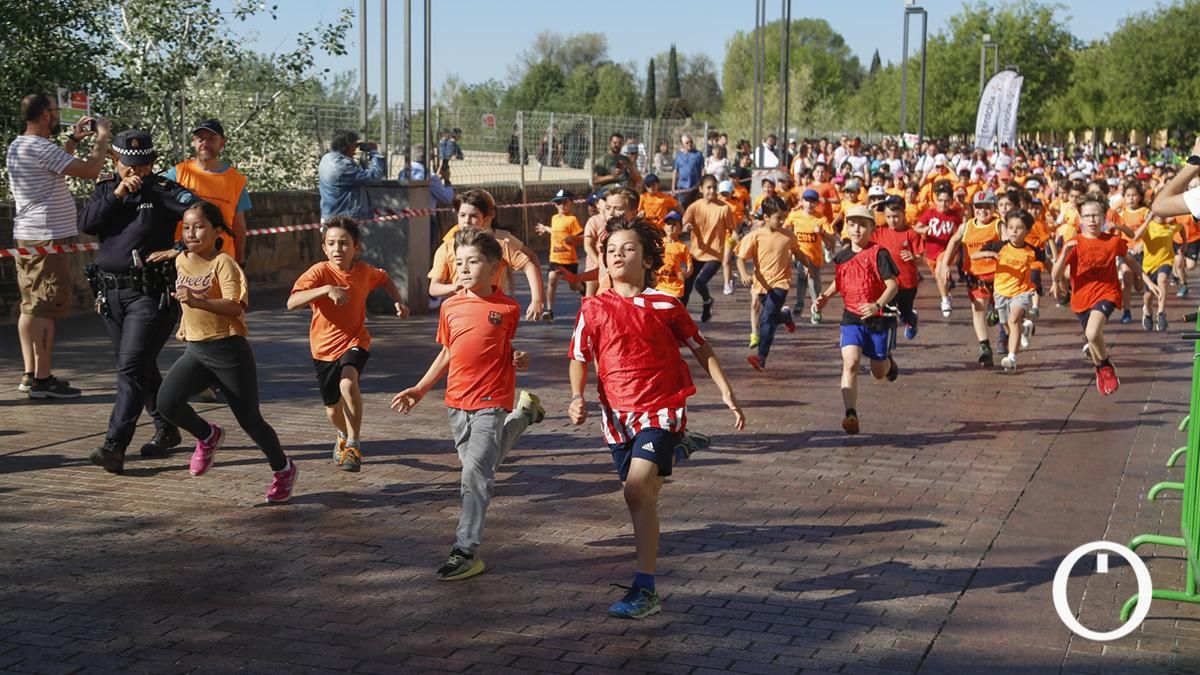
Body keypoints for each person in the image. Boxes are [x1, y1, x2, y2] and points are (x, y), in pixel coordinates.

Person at [567, 219, 744, 619]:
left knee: (635, 492)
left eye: (628, 248)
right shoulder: (592, 308)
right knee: (644, 497)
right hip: (616, 416)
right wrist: (577, 397)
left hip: (661, 407)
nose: (617, 254)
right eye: (611, 249)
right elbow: (578, 357)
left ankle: (645, 588)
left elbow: (701, 347)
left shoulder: (666, 304)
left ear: (647, 260)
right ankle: (677, 450)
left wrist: (726, 391)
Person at [391, 227, 546, 581]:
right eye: (458, 262)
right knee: (480, 465)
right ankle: (525, 415)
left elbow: (502, 347)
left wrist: (518, 358)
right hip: (456, 401)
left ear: (494, 268)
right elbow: (448, 352)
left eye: (472, 262)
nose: (462, 268)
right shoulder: (449, 306)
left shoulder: (508, 308)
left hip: (492, 399)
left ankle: (465, 549)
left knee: (475, 474)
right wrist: (419, 389)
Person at [156, 201, 298, 502]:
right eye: (187, 227)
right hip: (196, 351)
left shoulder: (224, 263)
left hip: (229, 351)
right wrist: (186, 324)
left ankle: (283, 469)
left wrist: (199, 301)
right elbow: (184, 291)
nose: (191, 233)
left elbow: (236, 306)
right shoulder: (181, 259)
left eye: (200, 227)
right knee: (166, 403)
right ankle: (208, 435)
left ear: (216, 231)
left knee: (250, 421)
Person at [78, 130, 199, 473]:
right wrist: (117, 194)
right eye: (129, 165)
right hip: (110, 294)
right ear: (115, 160)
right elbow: (86, 224)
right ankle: (168, 427)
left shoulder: (162, 191)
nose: (136, 172)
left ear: (153, 162)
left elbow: (206, 215)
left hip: (149, 294)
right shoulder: (106, 189)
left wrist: (179, 248)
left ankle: (114, 446)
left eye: (143, 165)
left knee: (131, 368)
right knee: (137, 365)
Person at [8, 92, 112, 399]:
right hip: (47, 238)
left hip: (28, 236)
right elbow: (91, 170)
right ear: (45, 115)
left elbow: (57, 165)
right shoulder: (41, 148)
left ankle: (30, 374)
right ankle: (43, 381)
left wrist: (74, 140)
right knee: (45, 306)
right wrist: (102, 136)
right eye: (54, 110)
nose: (57, 115)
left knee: (30, 305)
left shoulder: (19, 145)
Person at [287, 216, 409, 472]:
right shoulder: (319, 272)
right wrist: (325, 289)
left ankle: (353, 444)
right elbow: (292, 302)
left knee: (348, 383)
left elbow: (384, 278)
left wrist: (398, 300)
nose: (337, 249)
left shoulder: (364, 271)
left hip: (356, 339)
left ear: (356, 247)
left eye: (344, 243)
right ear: (324, 248)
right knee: (333, 410)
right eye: (331, 243)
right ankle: (342, 434)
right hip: (322, 349)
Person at [815, 205, 900, 435]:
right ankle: (850, 414)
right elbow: (840, 280)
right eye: (852, 224)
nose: (856, 229)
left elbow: (893, 285)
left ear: (872, 228)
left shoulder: (879, 253)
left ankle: (889, 364)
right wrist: (826, 296)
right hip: (852, 317)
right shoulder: (842, 256)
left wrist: (877, 305)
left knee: (878, 372)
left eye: (862, 225)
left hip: (878, 319)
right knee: (850, 362)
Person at [1051, 197, 1138, 396]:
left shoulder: (1112, 241)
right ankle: (1100, 368)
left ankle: (1106, 366)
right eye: (1087, 216)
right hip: (1081, 297)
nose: (1092, 220)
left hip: (1107, 292)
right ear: (1080, 219)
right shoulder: (1073, 243)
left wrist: (1145, 280)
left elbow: (1130, 260)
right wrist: (1064, 255)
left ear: (1103, 217)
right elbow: (1055, 276)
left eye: (1096, 215)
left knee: (1092, 333)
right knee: (1092, 339)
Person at [427, 189, 545, 321]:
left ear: (486, 218)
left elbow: (529, 263)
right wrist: (455, 287)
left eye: (473, 216)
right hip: (460, 315)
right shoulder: (446, 247)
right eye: (462, 215)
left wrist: (537, 298)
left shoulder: (498, 244)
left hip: (493, 312)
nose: (467, 221)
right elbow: (433, 288)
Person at [737, 196, 816, 371]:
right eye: (778, 218)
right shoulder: (755, 236)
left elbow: (798, 252)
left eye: (784, 217)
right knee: (772, 316)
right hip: (761, 285)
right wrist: (743, 273)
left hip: (781, 283)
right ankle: (785, 317)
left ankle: (761, 357)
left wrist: (807, 265)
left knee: (766, 318)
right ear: (766, 217)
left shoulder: (788, 236)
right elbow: (740, 258)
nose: (782, 221)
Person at [166, 119, 251, 265]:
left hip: (222, 263)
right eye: (200, 139)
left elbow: (239, 226)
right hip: (184, 262)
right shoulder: (177, 174)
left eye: (211, 139)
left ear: (222, 143)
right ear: (193, 142)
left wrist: (240, 261)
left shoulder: (236, 180)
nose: (205, 143)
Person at [971, 210, 1044, 372]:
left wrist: (1056, 281)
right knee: (1006, 326)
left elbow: (1048, 261)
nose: (1014, 231)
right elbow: (974, 255)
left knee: (1013, 319)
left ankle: (1011, 358)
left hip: (1022, 292)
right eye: (1010, 227)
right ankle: (1025, 330)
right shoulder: (1000, 246)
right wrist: (989, 253)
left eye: (1019, 228)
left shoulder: (1031, 251)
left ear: (1027, 231)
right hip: (1000, 293)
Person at [939, 190, 1002, 367]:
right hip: (976, 275)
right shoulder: (966, 227)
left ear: (994, 208)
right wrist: (945, 264)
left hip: (999, 275)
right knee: (977, 309)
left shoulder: (998, 225)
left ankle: (996, 311)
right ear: (973, 208)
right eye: (979, 207)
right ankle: (984, 347)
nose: (983, 211)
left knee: (1002, 309)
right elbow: (953, 241)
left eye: (987, 207)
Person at [681, 175, 736, 322]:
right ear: (701, 189)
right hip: (696, 253)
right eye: (708, 187)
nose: (712, 190)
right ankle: (680, 318)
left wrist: (734, 244)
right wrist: (686, 228)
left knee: (700, 283)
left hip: (715, 254)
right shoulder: (694, 207)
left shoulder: (724, 208)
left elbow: (732, 231)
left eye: (714, 187)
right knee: (686, 287)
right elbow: (683, 225)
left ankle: (707, 301)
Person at [872, 196, 923, 339]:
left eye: (896, 216)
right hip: (886, 283)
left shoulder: (911, 234)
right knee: (887, 313)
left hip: (907, 283)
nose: (892, 220)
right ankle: (887, 344)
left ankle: (911, 320)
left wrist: (914, 257)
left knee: (904, 313)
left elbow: (921, 259)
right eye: (888, 217)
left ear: (903, 214)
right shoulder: (879, 232)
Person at [785, 189, 837, 324]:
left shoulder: (821, 218)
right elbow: (785, 228)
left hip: (815, 256)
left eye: (813, 202)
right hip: (800, 254)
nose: (809, 204)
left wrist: (822, 233)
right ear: (802, 202)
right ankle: (803, 305)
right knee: (804, 276)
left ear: (817, 204)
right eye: (807, 201)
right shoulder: (794, 215)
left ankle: (814, 307)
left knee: (811, 281)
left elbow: (832, 237)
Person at [534, 188, 584, 322]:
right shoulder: (554, 218)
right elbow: (557, 232)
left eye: (565, 202)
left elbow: (582, 237)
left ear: (571, 203)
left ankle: (583, 288)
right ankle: (549, 311)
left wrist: (573, 238)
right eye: (558, 202)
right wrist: (545, 228)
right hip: (555, 258)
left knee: (574, 286)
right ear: (555, 205)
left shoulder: (572, 220)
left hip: (569, 260)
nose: (562, 205)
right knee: (552, 279)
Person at [914, 184, 963, 317]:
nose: (943, 204)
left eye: (946, 201)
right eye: (940, 200)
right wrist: (924, 229)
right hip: (931, 253)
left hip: (947, 250)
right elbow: (916, 227)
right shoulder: (930, 213)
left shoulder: (955, 215)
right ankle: (947, 294)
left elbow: (959, 234)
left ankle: (945, 300)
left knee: (939, 270)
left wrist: (958, 249)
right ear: (936, 200)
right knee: (939, 278)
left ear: (951, 201)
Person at [318, 129, 385, 223]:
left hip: (329, 216)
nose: (355, 150)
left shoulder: (326, 159)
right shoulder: (343, 166)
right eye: (354, 146)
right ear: (347, 146)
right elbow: (374, 177)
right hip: (344, 220)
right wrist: (374, 151)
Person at [1129, 211, 1181, 332]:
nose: (1160, 216)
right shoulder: (1148, 226)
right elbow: (1135, 237)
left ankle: (1161, 313)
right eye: (1157, 214)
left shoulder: (1171, 226)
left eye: (1162, 213)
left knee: (1162, 280)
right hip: (1149, 266)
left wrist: (1184, 245)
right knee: (1148, 296)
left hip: (1166, 261)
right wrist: (1148, 220)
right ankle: (1147, 310)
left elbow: (1181, 228)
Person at [654, 211, 691, 299]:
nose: (671, 226)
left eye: (674, 224)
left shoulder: (682, 247)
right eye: (668, 224)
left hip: (675, 288)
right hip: (659, 286)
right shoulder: (658, 244)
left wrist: (685, 274)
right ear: (663, 227)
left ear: (680, 229)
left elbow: (690, 267)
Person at [672, 135, 704, 204]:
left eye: (691, 142)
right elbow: (675, 171)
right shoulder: (678, 156)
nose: (689, 144)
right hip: (682, 187)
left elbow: (703, 170)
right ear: (682, 144)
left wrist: (702, 184)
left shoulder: (698, 154)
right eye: (687, 143)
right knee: (682, 207)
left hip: (695, 187)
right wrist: (673, 187)